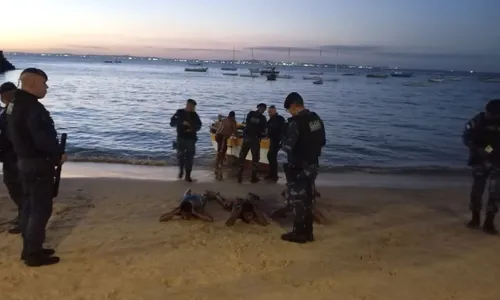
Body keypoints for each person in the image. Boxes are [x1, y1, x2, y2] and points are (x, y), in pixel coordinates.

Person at [7, 68, 67, 267]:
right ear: (32, 84)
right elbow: (42, 138)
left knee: (28, 207)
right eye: (44, 83)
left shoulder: (14, 104)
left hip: (23, 161)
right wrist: (58, 154)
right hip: (37, 163)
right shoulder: (32, 107)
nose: (46, 87)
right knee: (40, 209)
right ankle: (33, 253)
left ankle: (30, 249)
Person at [280, 92, 326, 243]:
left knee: (297, 201)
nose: (289, 113)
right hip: (313, 165)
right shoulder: (315, 119)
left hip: (299, 167)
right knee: (308, 200)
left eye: (289, 110)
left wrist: (281, 140)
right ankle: (308, 232)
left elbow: (288, 146)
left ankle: (299, 233)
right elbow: (322, 141)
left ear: (293, 106)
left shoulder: (296, 123)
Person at [462, 99, 500, 235]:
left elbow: (496, 144)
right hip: (479, 160)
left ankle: (489, 221)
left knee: (495, 192)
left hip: (497, 161)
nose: (490, 117)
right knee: (477, 190)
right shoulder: (478, 120)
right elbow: (466, 135)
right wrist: (474, 148)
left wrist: (487, 150)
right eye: (489, 113)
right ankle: (475, 217)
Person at [0, 82, 25, 234]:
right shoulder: (9, 109)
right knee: (14, 186)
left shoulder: (16, 110)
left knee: (17, 188)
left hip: (15, 156)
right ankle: (23, 215)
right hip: (9, 155)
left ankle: (24, 219)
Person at [170, 99, 202, 182]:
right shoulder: (179, 112)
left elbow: (199, 126)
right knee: (180, 156)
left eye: (194, 107)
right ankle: (181, 170)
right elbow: (172, 123)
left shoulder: (195, 115)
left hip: (191, 138)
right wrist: (181, 123)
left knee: (190, 158)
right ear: (187, 105)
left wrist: (191, 128)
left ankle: (188, 176)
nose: (193, 108)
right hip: (181, 137)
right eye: (192, 106)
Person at [237, 103, 267, 183]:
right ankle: (253, 178)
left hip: (246, 139)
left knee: (242, 157)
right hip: (255, 140)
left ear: (257, 107)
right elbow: (263, 130)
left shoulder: (250, 114)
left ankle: (239, 176)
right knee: (255, 159)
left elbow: (247, 124)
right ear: (264, 110)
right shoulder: (263, 118)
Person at [266, 105, 286, 181]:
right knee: (271, 156)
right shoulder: (273, 119)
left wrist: (268, 135)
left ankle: (274, 175)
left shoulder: (278, 119)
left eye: (270, 112)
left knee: (272, 156)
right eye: (268, 112)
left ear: (274, 111)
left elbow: (275, 130)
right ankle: (272, 174)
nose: (269, 113)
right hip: (274, 140)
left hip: (277, 140)